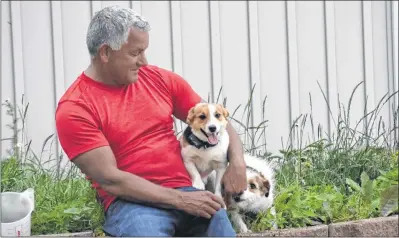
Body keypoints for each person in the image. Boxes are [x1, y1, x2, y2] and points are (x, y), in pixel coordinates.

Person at [55, 5, 247, 237]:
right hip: (134, 205)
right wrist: (180, 200)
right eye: (135, 53)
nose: (144, 62)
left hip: (188, 192)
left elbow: (217, 121)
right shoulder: (75, 109)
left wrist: (237, 162)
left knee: (219, 223)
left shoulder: (159, 79)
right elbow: (111, 180)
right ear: (105, 53)